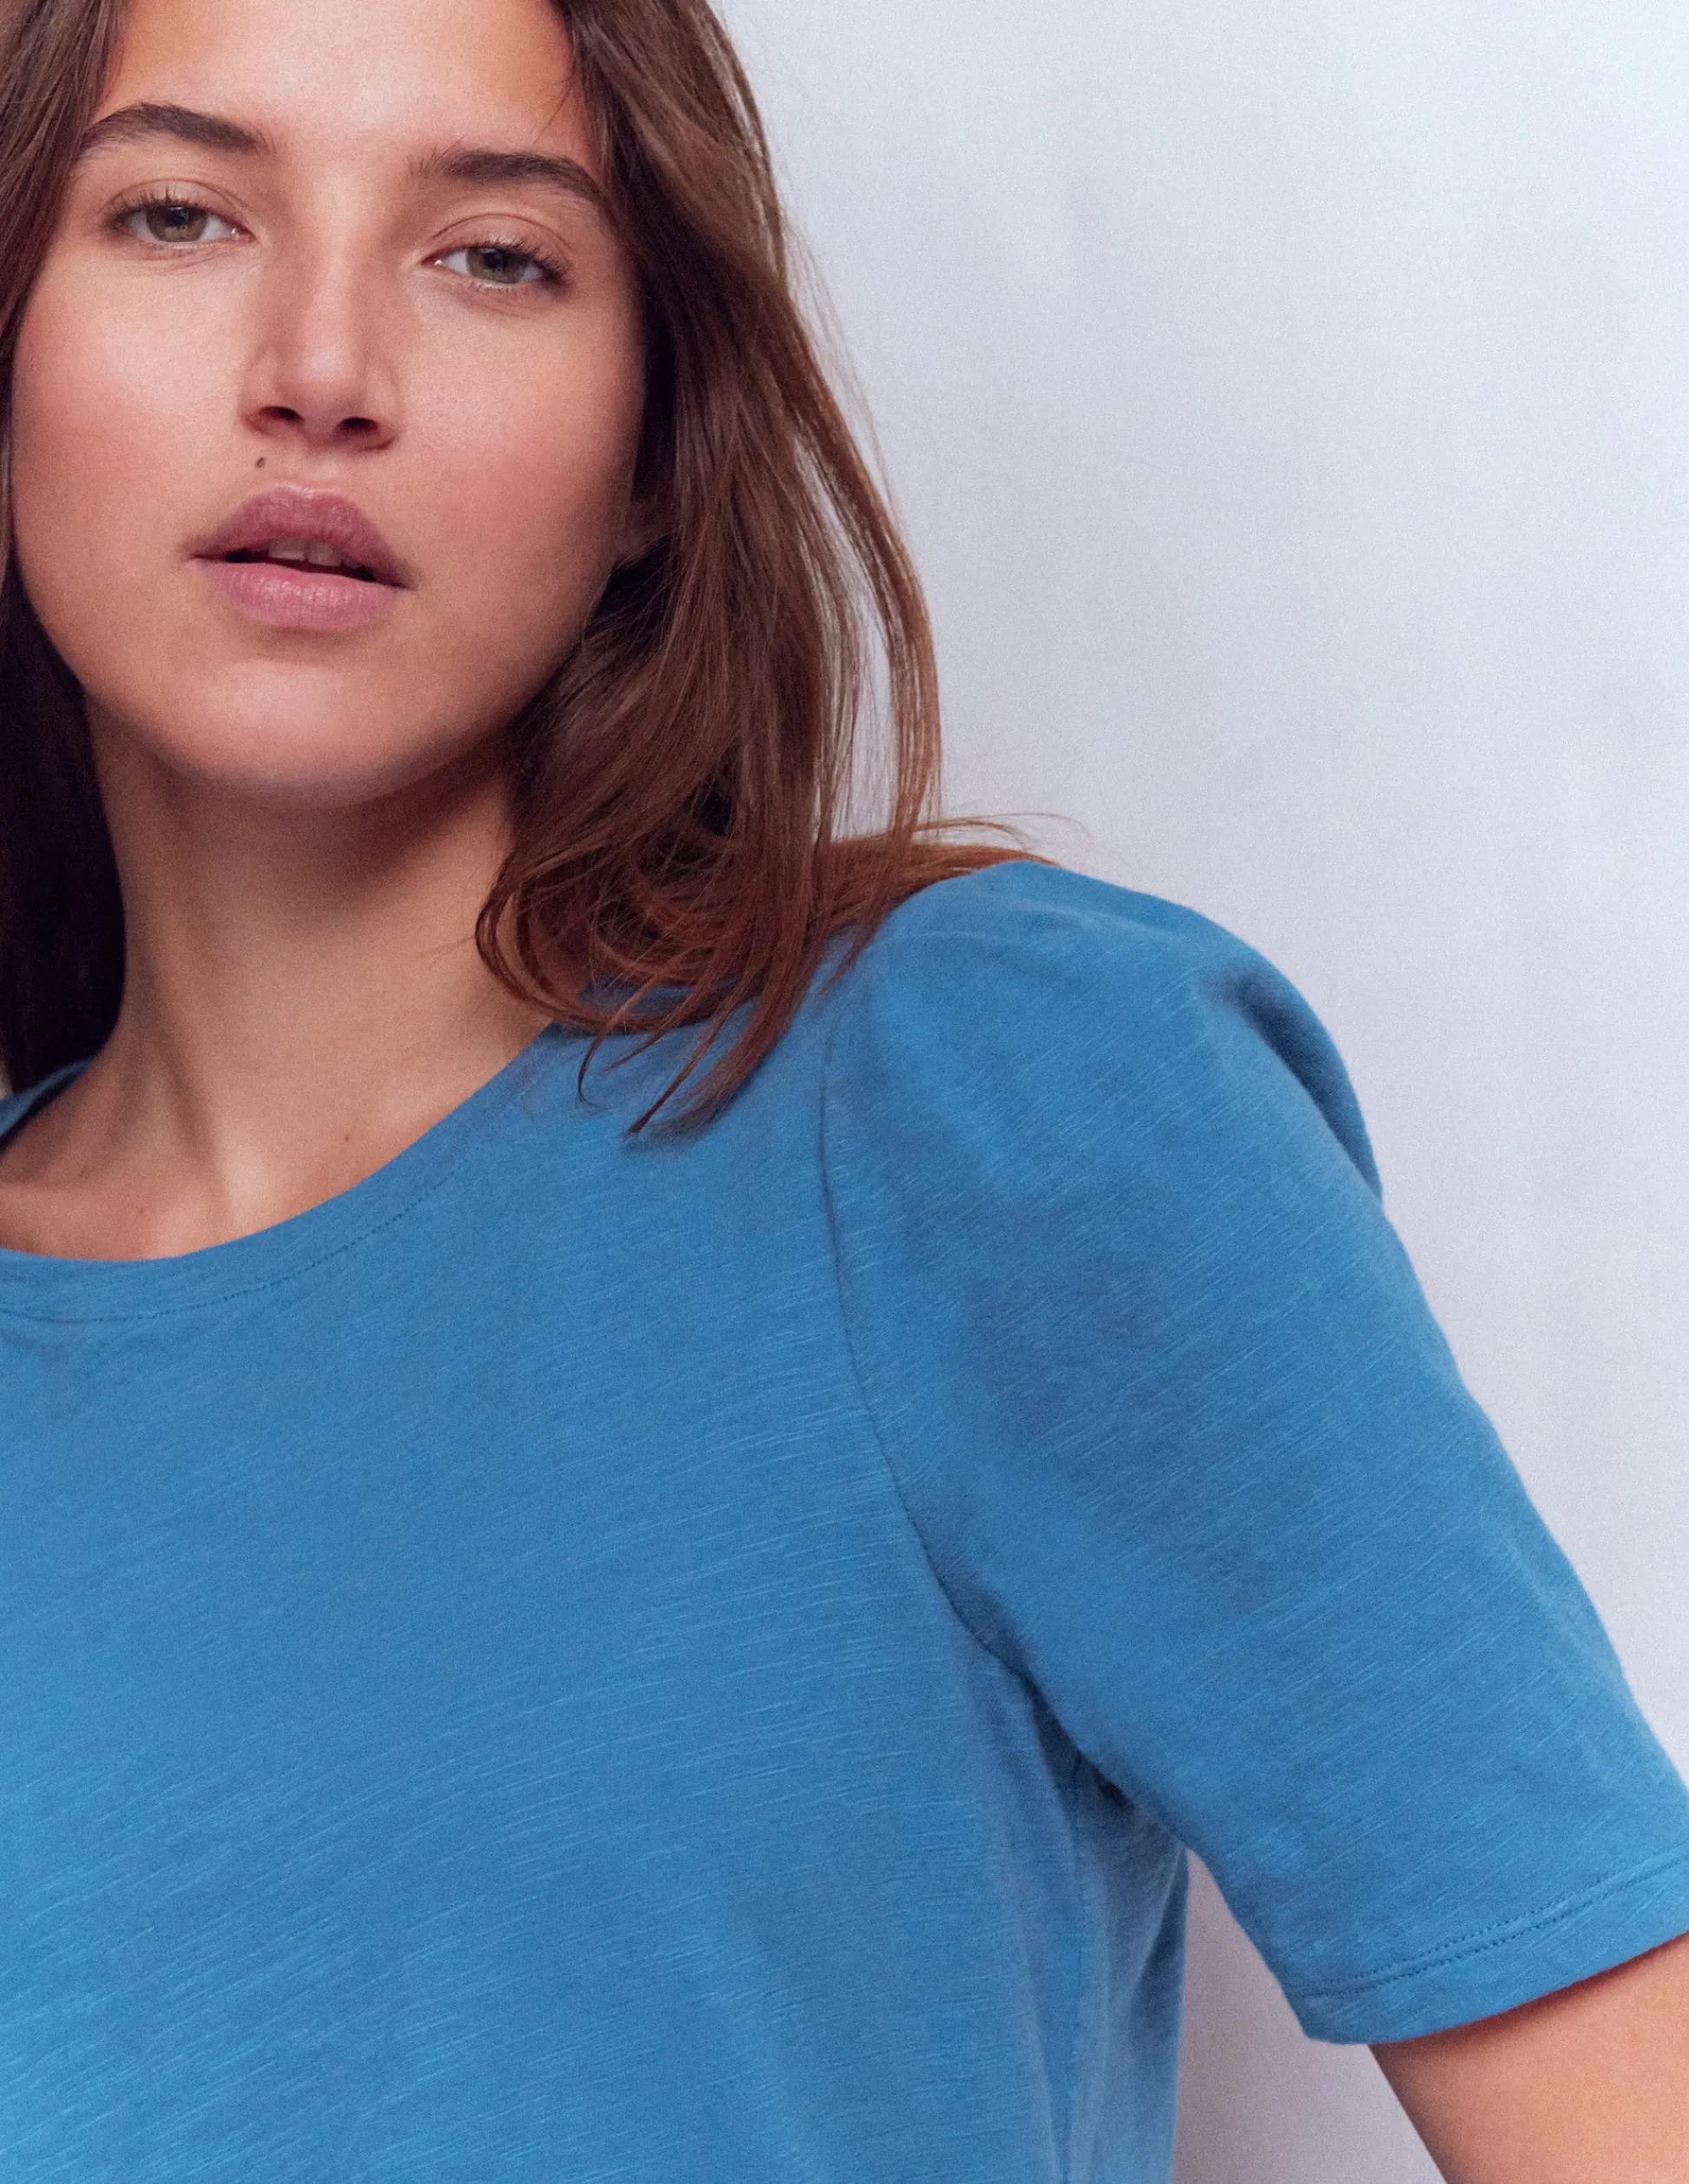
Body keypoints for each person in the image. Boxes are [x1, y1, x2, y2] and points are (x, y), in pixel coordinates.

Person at [0, 0, 1683, 2176]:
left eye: (496, 254)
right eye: (176, 214)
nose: (322, 366)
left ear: (650, 450)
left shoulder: (990, 1105)